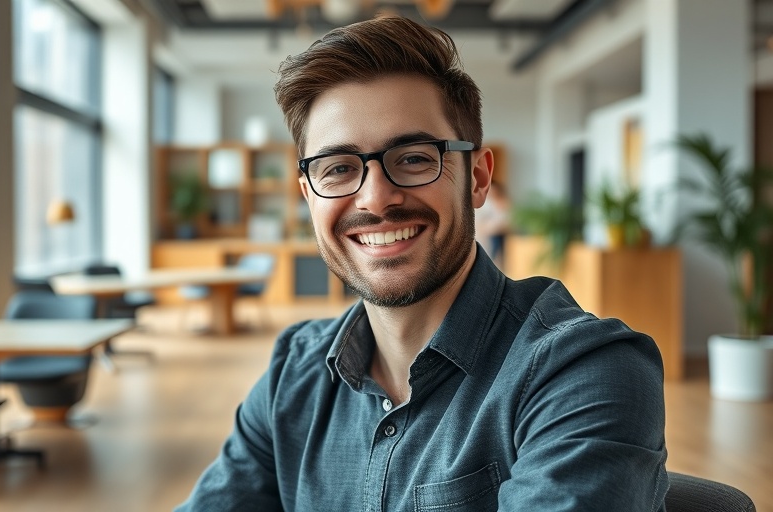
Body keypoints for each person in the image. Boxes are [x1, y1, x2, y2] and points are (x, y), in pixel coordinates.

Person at [175, 15, 667, 511]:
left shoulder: (582, 372)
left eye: (412, 157)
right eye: (339, 168)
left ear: (476, 178)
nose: (376, 199)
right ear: (309, 197)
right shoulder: (293, 373)